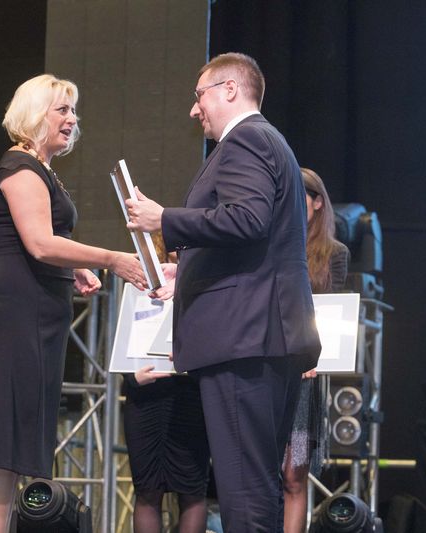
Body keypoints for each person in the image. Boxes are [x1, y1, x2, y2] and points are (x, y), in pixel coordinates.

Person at [126, 53, 321, 532]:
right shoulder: (267, 141)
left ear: (230, 89)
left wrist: (163, 219)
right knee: (255, 485)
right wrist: (186, 273)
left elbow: (246, 219)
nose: (194, 109)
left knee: (244, 489)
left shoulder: (246, 139)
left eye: (200, 96)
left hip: (244, 339)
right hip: (262, 336)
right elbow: (256, 239)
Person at [0, 73, 146, 533]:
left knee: (12, 459)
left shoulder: (38, 168)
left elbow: (35, 242)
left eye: (73, 111)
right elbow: (40, 244)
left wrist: (72, 267)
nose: (72, 119)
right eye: (62, 109)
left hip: (31, 324)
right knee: (0, 456)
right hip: (10, 325)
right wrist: (110, 258)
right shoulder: (20, 168)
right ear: (34, 113)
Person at [121, 233, 210, 533]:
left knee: (192, 489)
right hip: (146, 396)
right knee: (147, 489)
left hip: (191, 394)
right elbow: (124, 340)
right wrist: (131, 376)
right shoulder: (141, 284)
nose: (178, 249)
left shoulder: (208, 282)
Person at [282, 168, 350, 533]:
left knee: (294, 474)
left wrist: (311, 356)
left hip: (306, 377)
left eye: (300, 198)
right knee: (260, 470)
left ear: (318, 202)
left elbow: (329, 309)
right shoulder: (274, 245)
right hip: (270, 369)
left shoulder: (334, 253)